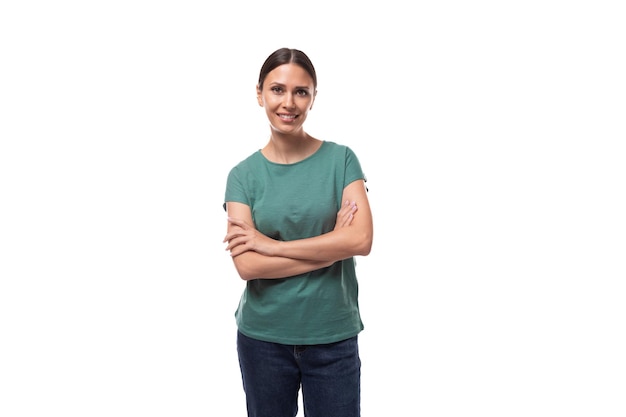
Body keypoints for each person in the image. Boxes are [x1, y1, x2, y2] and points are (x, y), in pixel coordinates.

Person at [222, 47, 374, 417]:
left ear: (313, 97)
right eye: (277, 90)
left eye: (301, 91)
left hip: (333, 337)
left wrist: (268, 246)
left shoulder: (341, 160)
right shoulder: (242, 177)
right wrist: (332, 248)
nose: (288, 102)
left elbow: (361, 241)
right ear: (259, 93)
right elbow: (247, 267)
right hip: (263, 341)